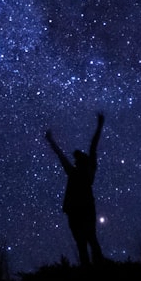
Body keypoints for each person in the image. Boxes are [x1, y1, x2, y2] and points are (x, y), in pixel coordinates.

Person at [45, 112, 105, 267]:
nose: (76, 160)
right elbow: (92, 146)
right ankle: (97, 268)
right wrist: (99, 126)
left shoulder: (79, 171)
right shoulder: (86, 170)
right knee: (88, 240)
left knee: (85, 241)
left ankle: (93, 269)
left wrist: (99, 126)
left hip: (77, 209)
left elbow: (63, 155)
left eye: (78, 159)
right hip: (80, 208)